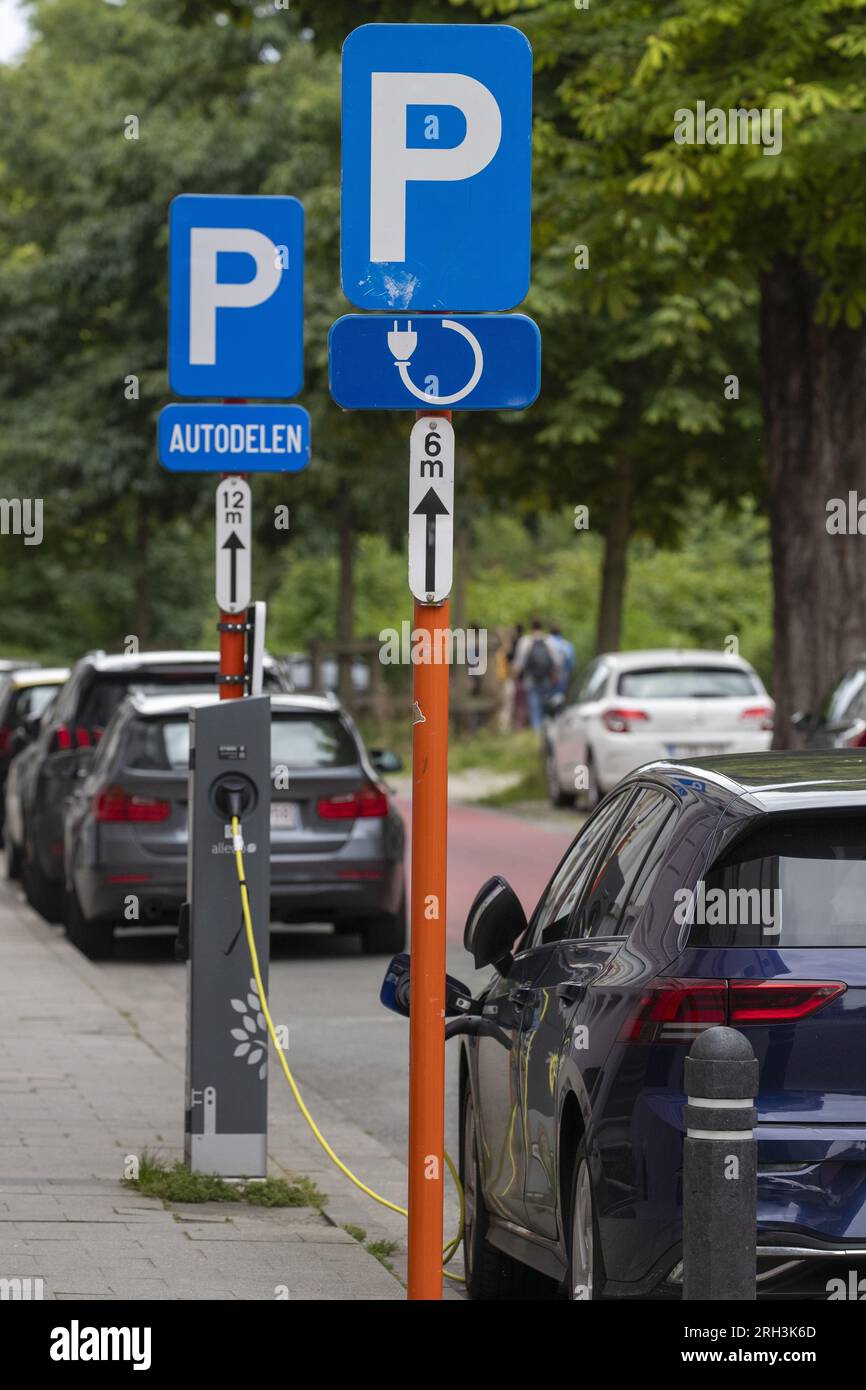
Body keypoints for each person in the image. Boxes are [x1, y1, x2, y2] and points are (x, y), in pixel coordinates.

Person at [511, 619, 562, 731]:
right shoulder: (549, 641)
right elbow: (557, 660)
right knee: (545, 700)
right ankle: (545, 725)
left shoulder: (525, 641)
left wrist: (515, 675)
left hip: (530, 676)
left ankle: (536, 727)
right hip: (546, 676)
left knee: (533, 701)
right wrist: (557, 674)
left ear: (531, 627)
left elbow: (519, 661)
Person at [549, 624, 576, 699]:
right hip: (563, 674)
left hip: (548, 675)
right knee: (560, 696)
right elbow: (571, 663)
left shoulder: (547, 643)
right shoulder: (566, 645)